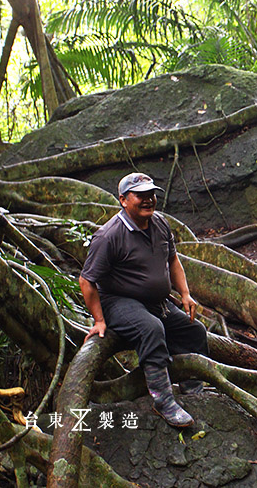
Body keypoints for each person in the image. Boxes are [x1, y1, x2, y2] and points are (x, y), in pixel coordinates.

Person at [78, 172, 209, 428]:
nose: (148, 200)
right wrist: (99, 320)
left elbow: (172, 259)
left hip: (157, 302)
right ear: (124, 200)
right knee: (151, 328)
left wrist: (184, 293)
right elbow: (86, 280)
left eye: (151, 194)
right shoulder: (108, 236)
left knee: (194, 331)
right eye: (140, 195)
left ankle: (193, 390)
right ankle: (163, 400)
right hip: (118, 302)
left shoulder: (159, 223)